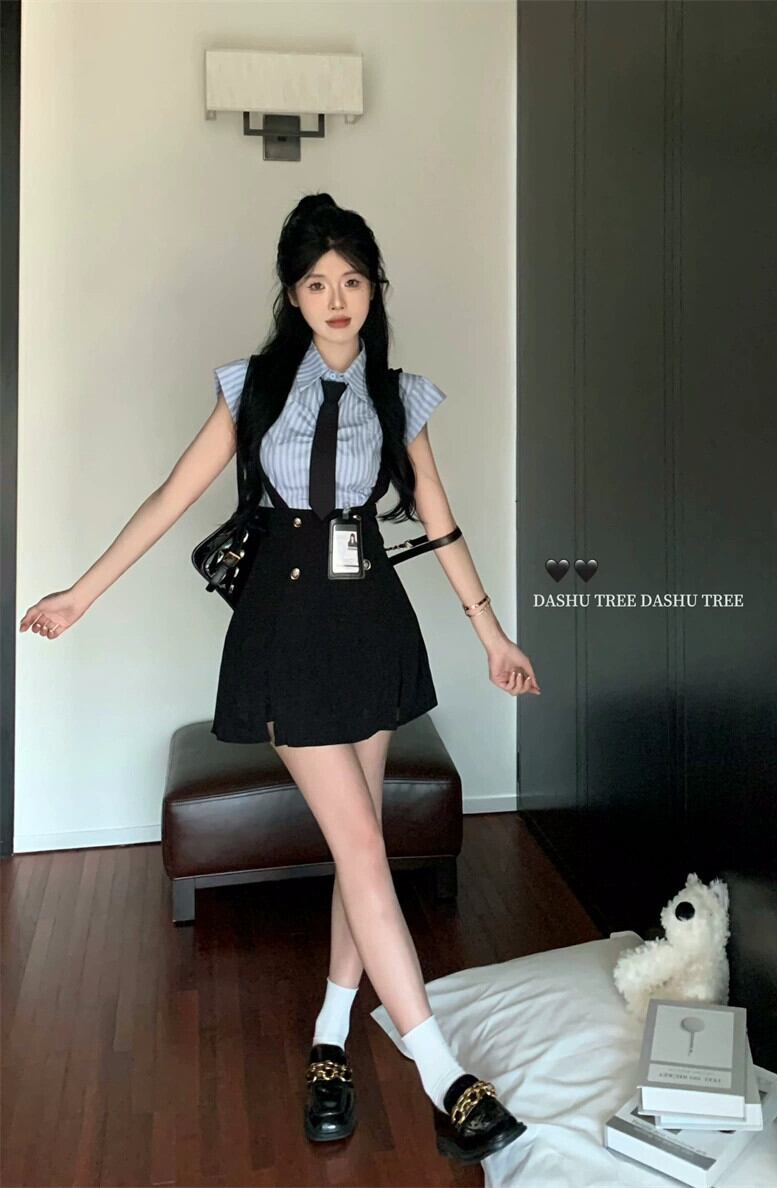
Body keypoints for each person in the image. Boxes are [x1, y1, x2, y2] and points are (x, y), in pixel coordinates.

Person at [19, 193, 541, 1164]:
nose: (335, 300)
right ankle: (444, 1076)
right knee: (364, 847)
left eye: (351, 281)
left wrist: (492, 636)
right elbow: (170, 497)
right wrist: (81, 594)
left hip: (372, 622)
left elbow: (437, 518)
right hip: (286, 630)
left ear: (373, 289)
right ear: (292, 295)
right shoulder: (254, 388)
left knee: (361, 844)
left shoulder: (399, 397)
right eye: (315, 284)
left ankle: (331, 1036)